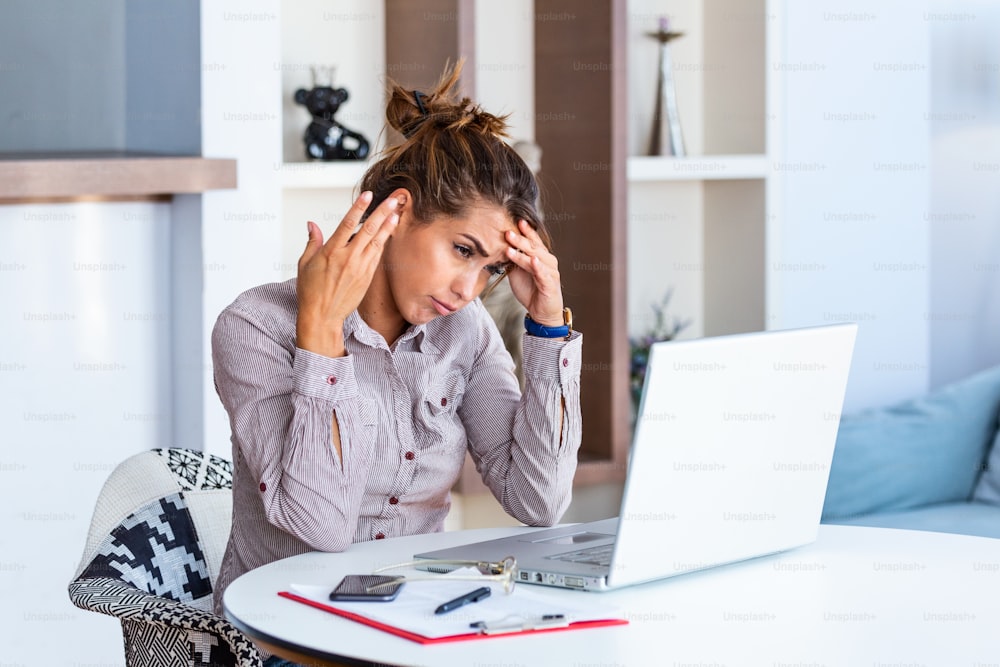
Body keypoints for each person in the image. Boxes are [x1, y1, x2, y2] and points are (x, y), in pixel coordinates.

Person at [209, 63, 583, 649]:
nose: (469, 288)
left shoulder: (466, 330)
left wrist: (546, 330)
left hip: (422, 623)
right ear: (398, 212)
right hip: (289, 640)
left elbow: (538, 501)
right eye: (462, 250)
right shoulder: (255, 329)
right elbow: (321, 526)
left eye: (493, 269)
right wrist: (321, 330)